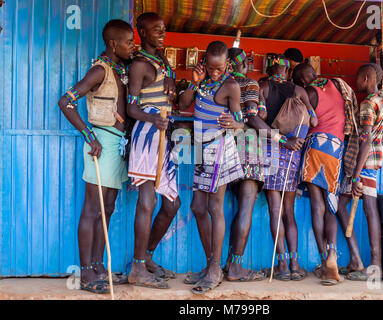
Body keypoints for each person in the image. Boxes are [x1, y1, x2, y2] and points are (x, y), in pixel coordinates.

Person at [57, 19, 134, 294]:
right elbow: (65, 101)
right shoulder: (99, 71)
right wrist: (89, 135)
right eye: (128, 41)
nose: (132, 45)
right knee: (92, 209)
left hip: (116, 147)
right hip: (100, 147)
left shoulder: (118, 70)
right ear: (113, 44)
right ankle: (87, 272)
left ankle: (99, 266)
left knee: (108, 207)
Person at [178, 41, 244, 294]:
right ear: (204, 62)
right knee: (197, 207)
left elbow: (240, 120)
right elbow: (184, 104)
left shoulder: (231, 86)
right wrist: (194, 82)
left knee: (215, 208)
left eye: (220, 68)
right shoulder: (202, 81)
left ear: (227, 64)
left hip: (219, 149)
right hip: (199, 148)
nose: (215, 73)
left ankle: (215, 270)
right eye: (211, 68)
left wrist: (235, 122)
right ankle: (210, 265)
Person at [126, 12, 181, 289]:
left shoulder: (162, 61)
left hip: (163, 135)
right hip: (147, 135)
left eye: (164, 29)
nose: (162, 33)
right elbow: (131, 107)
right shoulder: (138, 64)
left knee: (172, 203)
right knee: (147, 202)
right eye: (156, 30)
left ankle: (146, 258)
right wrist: (152, 118)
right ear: (142, 32)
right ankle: (137, 267)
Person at [294, 62, 359, 285]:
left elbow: (301, 123)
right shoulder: (335, 85)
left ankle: (324, 260)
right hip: (335, 149)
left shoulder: (307, 93)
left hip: (314, 146)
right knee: (331, 205)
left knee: (317, 205)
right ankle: (332, 253)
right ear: (314, 72)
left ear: (302, 80)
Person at [258, 55, 315, 281]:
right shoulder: (298, 91)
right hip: (293, 152)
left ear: (267, 67)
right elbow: (314, 121)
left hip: (271, 148)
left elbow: (259, 117)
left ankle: (281, 265)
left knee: (275, 210)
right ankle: (295, 264)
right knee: (289, 211)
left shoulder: (262, 86)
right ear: (287, 69)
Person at [337, 64, 383, 281]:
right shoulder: (382, 97)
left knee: (368, 209)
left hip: (364, 163)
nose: (356, 82)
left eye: (358, 78)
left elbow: (365, 140)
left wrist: (356, 175)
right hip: (372, 159)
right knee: (344, 205)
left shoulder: (368, 103)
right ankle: (357, 261)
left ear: (367, 78)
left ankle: (374, 266)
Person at [222, 48, 266, 282]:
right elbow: (253, 117)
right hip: (248, 145)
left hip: (224, 148)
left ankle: (229, 262)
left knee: (234, 207)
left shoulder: (219, 84)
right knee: (246, 206)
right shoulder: (249, 83)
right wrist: (279, 138)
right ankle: (237, 266)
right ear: (243, 64)